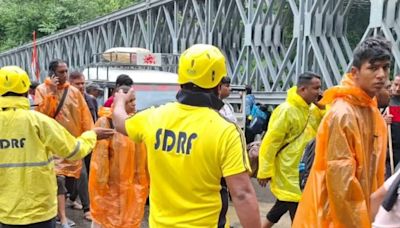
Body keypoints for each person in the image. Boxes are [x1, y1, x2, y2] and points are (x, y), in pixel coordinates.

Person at [112, 44, 261, 228]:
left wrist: (119, 100)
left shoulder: (154, 117)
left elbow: (120, 122)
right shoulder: (226, 131)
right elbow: (242, 194)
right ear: (218, 82)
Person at [293, 37, 391, 227]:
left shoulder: (370, 109)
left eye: (385, 68)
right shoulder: (343, 114)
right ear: (355, 72)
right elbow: (342, 187)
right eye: (373, 68)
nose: (381, 75)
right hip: (333, 219)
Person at [0, 66, 113, 228]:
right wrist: (92, 135)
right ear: (26, 90)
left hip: (6, 213)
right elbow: (73, 150)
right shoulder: (38, 121)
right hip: (39, 212)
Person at [257, 72, 322, 227]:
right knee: (299, 214)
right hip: (289, 171)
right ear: (302, 90)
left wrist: (324, 107)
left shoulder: (312, 110)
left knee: (283, 205)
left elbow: (327, 124)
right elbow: (271, 142)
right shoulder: (286, 110)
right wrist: (264, 171)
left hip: (303, 168)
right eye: (316, 88)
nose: (319, 92)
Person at [34, 59, 94, 227]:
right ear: (52, 73)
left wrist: (89, 136)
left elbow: (85, 117)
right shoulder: (42, 90)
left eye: (66, 71)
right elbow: (41, 116)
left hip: (72, 144)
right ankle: (61, 216)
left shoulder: (74, 92)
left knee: (76, 178)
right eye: (61, 72)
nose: (65, 74)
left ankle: (65, 209)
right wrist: (52, 92)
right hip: (52, 146)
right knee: (58, 180)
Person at [89, 85, 149, 228]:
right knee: (106, 221)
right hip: (111, 187)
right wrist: (101, 189)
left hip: (132, 187)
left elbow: (143, 159)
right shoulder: (106, 122)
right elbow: (100, 160)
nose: (134, 104)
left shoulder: (137, 123)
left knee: (129, 221)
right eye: (130, 101)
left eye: (135, 100)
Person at [68, 71, 95, 221]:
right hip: (74, 142)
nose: (81, 86)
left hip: (89, 139)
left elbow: (94, 118)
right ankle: (87, 208)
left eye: (83, 83)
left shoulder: (90, 99)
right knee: (82, 173)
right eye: (78, 84)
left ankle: (72, 198)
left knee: (85, 173)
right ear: (71, 84)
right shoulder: (67, 100)